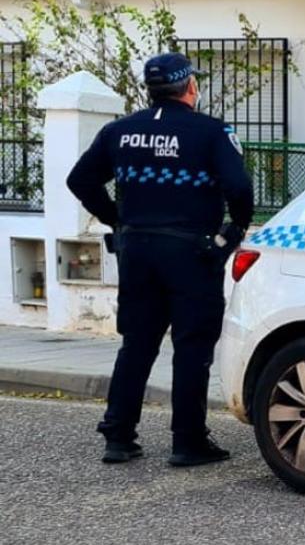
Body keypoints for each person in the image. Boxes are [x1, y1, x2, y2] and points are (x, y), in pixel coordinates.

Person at [67, 52, 254, 467]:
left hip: (137, 251)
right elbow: (238, 186)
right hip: (192, 251)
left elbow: (79, 179)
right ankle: (187, 441)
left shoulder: (120, 130)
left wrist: (118, 220)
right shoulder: (210, 132)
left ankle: (118, 435)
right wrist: (236, 228)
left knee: (137, 343)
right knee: (191, 345)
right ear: (190, 87)